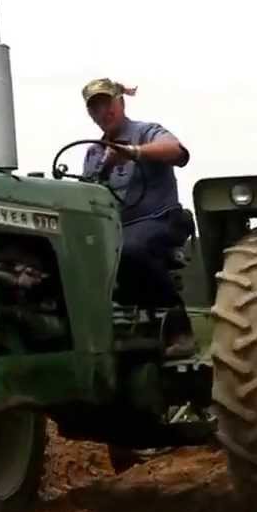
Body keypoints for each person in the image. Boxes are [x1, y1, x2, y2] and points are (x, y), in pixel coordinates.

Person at [80, 77, 195, 355]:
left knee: (129, 250)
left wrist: (133, 153)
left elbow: (177, 152)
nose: (102, 113)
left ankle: (179, 326)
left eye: (107, 104)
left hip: (159, 219)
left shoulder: (145, 132)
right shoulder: (93, 153)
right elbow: (86, 195)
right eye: (94, 108)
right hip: (116, 229)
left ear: (120, 102)